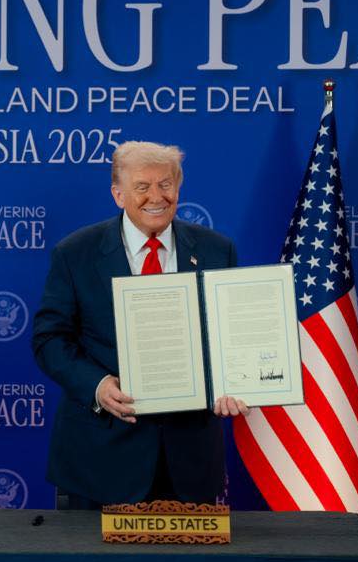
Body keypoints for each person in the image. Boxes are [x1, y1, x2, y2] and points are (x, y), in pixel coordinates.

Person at [31, 141, 248, 508]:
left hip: (189, 461)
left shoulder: (216, 250)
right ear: (118, 194)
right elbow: (49, 339)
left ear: (178, 188)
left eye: (166, 184)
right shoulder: (75, 253)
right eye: (142, 187)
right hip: (99, 460)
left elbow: (231, 336)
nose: (156, 197)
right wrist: (97, 386)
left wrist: (234, 380)